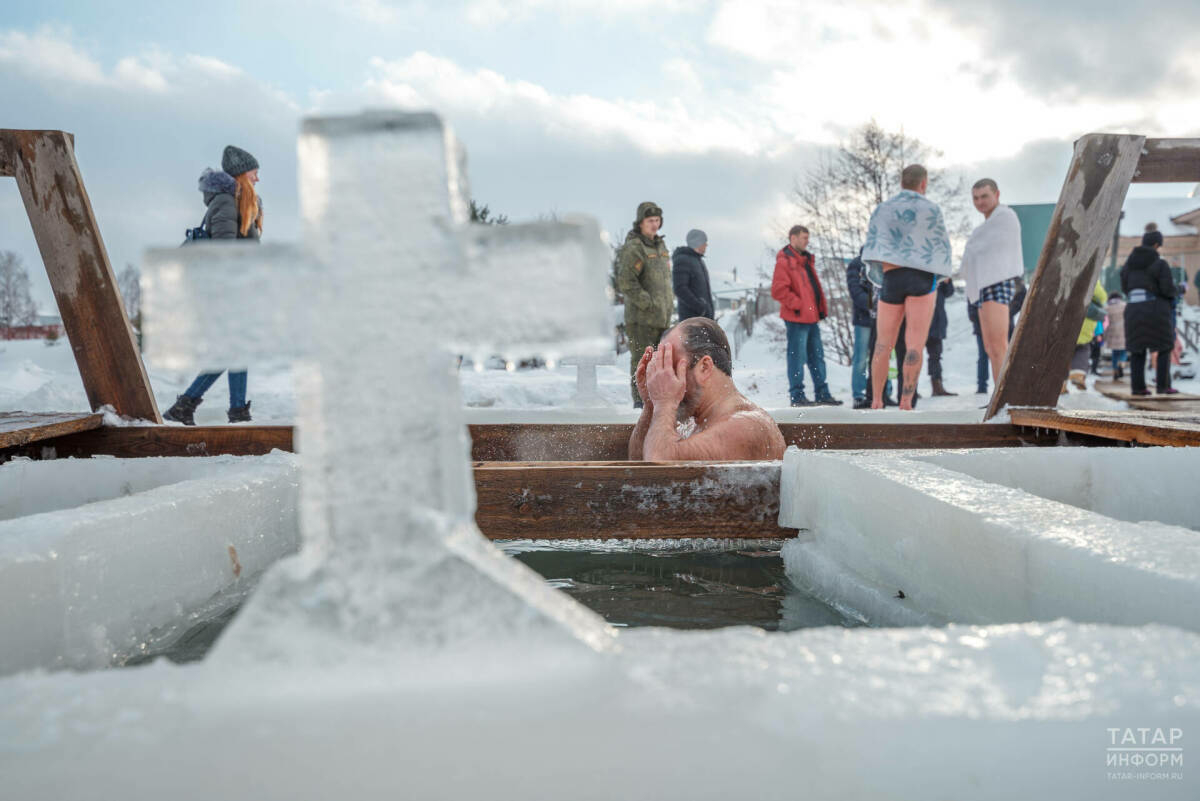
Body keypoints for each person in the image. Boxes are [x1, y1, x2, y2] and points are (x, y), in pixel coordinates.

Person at [163, 145, 263, 426]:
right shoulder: (226, 202)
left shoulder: (241, 202)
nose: (258, 179)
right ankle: (204, 408)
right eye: (255, 173)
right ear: (242, 174)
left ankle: (202, 408)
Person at [628, 317, 785, 461]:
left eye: (671, 369)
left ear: (704, 367)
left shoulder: (745, 426)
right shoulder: (694, 422)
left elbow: (657, 468)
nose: (664, 379)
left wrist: (663, 403)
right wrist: (651, 406)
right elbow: (637, 466)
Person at [862, 164, 953, 409]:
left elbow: (873, 245)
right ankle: (906, 401)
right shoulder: (931, 209)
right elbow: (941, 246)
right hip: (921, 278)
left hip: (892, 276)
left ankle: (877, 401)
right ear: (923, 183)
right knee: (914, 344)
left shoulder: (884, 209)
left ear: (902, 182)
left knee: (883, 343)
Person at [960, 179, 1023, 389]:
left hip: (997, 281)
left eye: (984, 196)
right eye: (975, 198)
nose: (980, 202)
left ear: (997, 194)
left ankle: (1005, 397)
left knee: (998, 345)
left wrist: (972, 246)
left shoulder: (1005, 217)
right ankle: (998, 396)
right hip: (983, 285)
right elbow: (974, 250)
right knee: (990, 347)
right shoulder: (986, 225)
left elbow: (975, 247)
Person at [771, 225, 841, 406]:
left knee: (817, 356)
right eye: (804, 238)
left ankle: (822, 393)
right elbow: (779, 290)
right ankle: (797, 396)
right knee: (796, 357)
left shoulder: (805, 261)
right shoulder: (785, 261)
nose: (807, 241)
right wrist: (799, 306)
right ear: (792, 238)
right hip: (796, 319)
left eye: (808, 238)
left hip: (811, 318)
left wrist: (817, 309)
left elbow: (812, 290)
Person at [617, 201, 674, 407]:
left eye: (657, 220)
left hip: (661, 317)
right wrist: (647, 303)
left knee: (659, 365)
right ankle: (640, 404)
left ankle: (655, 404)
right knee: (642, 362)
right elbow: (625, 281)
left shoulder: (660, 245)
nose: (654, 225)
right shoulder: (635, 247)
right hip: (642, 319)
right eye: (650, 221)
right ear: (640, 222)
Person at [1121, 229, 1178, 395]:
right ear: (1156, 245)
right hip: (1156, 310)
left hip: (1133, 310)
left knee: (1137, 349)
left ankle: (1138, 388)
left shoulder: (1128, 266)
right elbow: (1167, 289)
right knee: (1164, 347)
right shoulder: (1160, 264)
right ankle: (1163, 386)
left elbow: (1125, 288)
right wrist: (1177, 291)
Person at [1068, 282, 1107, 391]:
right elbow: (1102, 297)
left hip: (1067, 319)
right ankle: (1078, 374)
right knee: (1082, 348)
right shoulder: (1093, 277)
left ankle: (1061, 383)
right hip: (1086, 321)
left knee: (1063, 352)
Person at [672, 229, 714, 321]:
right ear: (697, 243)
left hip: (703, 318)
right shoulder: (682, 260)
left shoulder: (699, 261)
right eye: (704, 242)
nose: (706, 245)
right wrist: (700, 307)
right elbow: (679, 289)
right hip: (691, 320)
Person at [925, 278, 957, 395]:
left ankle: (937, 386)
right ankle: (912, 388)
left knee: (936, 355)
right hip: (921, 318)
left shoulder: (941, 272)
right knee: (913, 353)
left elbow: (949, 292)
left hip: (937, 321)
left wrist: (948, 282)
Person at [1105, 292, 1127, 380]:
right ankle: (1121, 363)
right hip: (1123, 330)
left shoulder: (1107, 307)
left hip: (1112, 331)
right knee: (1123, 350)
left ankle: (1115, 370)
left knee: (1115, 353)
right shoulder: (1124, 305)